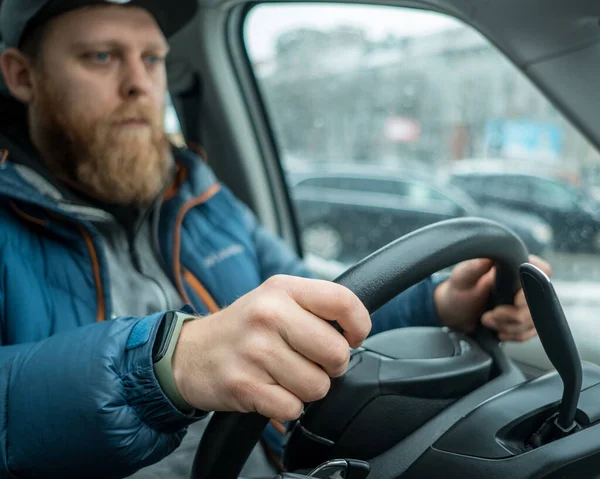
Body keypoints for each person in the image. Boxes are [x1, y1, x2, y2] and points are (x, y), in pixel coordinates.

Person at [0, 0, 551, 477]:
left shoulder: (197, 192)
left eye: (152, 59)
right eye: (101, 56)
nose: (137, 83)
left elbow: (319, 303)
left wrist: (440, 303)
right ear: (22, 75)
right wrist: (170, 363)